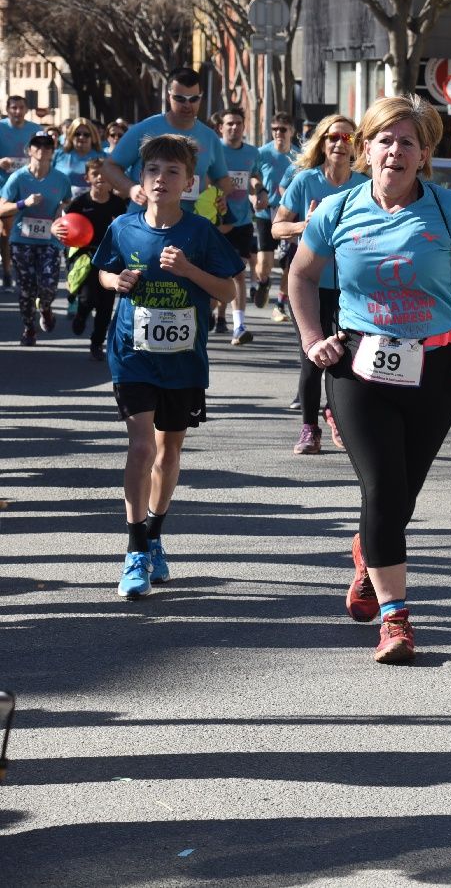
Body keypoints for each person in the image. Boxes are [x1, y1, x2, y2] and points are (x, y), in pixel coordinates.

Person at [290, 95, 451, 665]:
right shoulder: (338, 209)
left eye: (407, 142)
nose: (394, 151)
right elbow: (301, 275)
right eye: (384, 140)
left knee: (400, 496)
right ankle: (396, 618)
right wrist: (312, 339)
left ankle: (367, 557)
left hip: (435, 366)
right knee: (381, 489)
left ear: (424, 155)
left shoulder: (450, 210)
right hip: (359, 367)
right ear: (364, 149)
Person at [92, 133, 244, 598]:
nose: (161, 179)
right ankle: (136, 548)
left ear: (190, 182)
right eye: (153, 170)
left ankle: (155, 533)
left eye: (172, 172)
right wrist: (116, 279)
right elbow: (103, 269)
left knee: (169, 451)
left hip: (183, 363)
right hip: (131, 356)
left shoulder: (198, 233)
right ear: (143, 177)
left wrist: (190, 272)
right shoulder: (123, 227)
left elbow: (228, 291)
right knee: (141, 449)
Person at [274, 114, 366, 455]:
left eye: (346, 137)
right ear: (322, 144)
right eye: (332, 137)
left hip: (351, 289)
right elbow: (276, 228)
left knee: (344, 360)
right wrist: (304, 226)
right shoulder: (305, 182)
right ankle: (309, 429)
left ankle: (338, 416)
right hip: (310, 285)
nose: (340, 143)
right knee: (312, 358)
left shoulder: (364, 185)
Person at [103, 69, 230, 214]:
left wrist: (219, 196)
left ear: (201, 98)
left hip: (191, 225)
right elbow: (109, 166)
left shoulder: (209, 137)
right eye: (180, 99)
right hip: (145, 221)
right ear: (169, 97)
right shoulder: (145, 128)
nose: (187, 105)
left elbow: (223, 179)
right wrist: (131, 189)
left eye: (193, 99)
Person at [1, 133, 76, 344]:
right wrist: (24, 203)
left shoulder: (61, 179)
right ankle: (29, 328)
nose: (42, 149)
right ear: (29, 150)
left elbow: (68, 200)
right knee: (26, 289)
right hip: (22, 240)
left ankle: (45, 308)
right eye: (37, 145)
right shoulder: (18, 177)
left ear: (52, 151)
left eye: (47, 146)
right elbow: (2, 207)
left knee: (49, 285)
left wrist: (62, 208)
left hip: (49, 241)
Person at [61, 159, 126, 359]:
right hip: (85, 256)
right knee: (88, 299)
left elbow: (127, 231)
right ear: (87, 177)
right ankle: (81, 314)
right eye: (95, 174)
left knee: (106, 306)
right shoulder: (79, 203)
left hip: (109, 259)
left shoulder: (118, 204)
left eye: (105, 175)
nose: (100, 178)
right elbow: (64, 226)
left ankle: (97, 344)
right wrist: (58, 230)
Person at [214, 105, 264, 345]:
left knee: (237, 273)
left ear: (244, 127)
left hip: (242, 221)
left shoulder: (252, 152)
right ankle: (216, 315)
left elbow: (254, 176)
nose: (234, 128)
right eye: (229, 124)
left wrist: (259, 190)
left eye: (238, 124)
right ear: (220, 127)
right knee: (216, 273)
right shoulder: (214, 151)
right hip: (215, 221)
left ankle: (239, 326)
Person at [254, 113, 298, 311]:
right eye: (275, 129)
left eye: (283, 129)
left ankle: (280, 303)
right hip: (266, 213)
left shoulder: (298, 157)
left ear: (291, 131)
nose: (278, 133)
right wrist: (255, 196)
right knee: (265, 263)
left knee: (290, 264)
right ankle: (263, 283)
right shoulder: (262, 153)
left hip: (290, 216)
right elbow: (252, 177)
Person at [0, 94, 39, 291]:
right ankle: (7, 271)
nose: (17, 111)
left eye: (20, 107)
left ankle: (27, 269)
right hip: (3, 187)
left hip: (28, 187)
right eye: (13, 108)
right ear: (8, 110)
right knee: (6, 231)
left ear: (26, 109)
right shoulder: (0, 128)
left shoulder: (35, 130)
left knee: (29, 229)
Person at [55, 117, 102, 193]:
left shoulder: (104, 157)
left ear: (93, 136)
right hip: (64, 201)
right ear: (71, 135)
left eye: (86, 135)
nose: (81, 137)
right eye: (77, 134)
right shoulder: (58, 155)